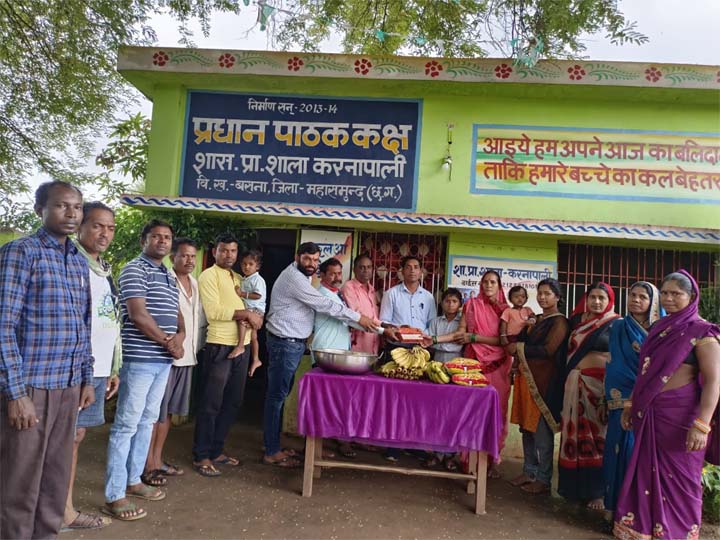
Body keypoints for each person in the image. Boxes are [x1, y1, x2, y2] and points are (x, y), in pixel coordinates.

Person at [0, 181, 95, 539]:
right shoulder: (21, 252)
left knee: (55, 480)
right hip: (32, 388)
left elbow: (83, 324)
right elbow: (3, 324)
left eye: (77, 207)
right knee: (19, 482)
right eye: (61, 206)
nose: (71, 213)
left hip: (68, 387)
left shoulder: (77, 260)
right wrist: (16, 393)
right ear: (40, 209)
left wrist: (86, 378)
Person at [614, 271, 720, 540]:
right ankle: (645, 530)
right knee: (645, 474)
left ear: (691, 297)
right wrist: (630, 404)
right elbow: (644, 372)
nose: (669, 298)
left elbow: (713, 382)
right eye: (665, 293)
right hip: (649, 414)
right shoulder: (658, 329)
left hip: (682, 420)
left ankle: (678, 533)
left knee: (682, 480)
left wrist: (702, 424)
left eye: (676, 293)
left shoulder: (702, 332)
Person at [263, 242, 378, 468]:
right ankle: (271, 451)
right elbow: (323, 305)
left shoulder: (303, 276)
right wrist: (359, 318)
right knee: (276, 398)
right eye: (307, 259)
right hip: (284, 344)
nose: (311, 264)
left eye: (315, 260)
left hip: (292, 344)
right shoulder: (295, 278)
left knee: (280, 396)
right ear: (297, 257)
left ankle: (274, 445)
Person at [104, 220, 185, 521]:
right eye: (156, 237)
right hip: (139, 360)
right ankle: (114, 495)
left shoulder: (168, 274)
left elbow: (178, 314)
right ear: (144, 241)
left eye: (167, 237)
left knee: (147, 421)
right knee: (126, 424)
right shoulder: (134, 270)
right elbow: (138, 315)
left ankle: (134, 480)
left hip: (162, 361)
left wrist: (181, 337)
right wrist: (168, 342)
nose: (162, 241)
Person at [63, 202, 122, 532]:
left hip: (98, 368)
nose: (105, 233)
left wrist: (113, 367)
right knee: (64, 438)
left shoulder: (103, 268)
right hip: (74, 369)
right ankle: (58, 512)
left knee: (76, 436)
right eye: (98, 225)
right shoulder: (71, 262)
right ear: (81, 226)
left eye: (110, 228)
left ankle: (63, 509)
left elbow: (110, 319)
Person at [192, 233, 263, 477]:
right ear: (215, 252)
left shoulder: (238, 278)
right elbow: (214, 311)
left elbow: (250, 306)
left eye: (233, 251)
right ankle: (201, 455)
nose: (228, 255)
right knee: (211, 403)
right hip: (219, 346)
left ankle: (216, 451)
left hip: (242, 346)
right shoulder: (208, 276)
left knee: (233, 402)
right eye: (223, 250)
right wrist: (247, 315)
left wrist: (255, 316)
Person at [144, 238, 205, 485]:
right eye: (184, 255)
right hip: (166, 355)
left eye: (192, 256)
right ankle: (146, 464)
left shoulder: (195, 283)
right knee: (154, 413)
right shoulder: (165, 280)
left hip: (187, 357)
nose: (189, 260)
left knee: (168, 412)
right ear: (173, 258)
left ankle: (157, 460)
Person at [602, 281, 663, 513]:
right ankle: (614, 509)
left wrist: (644, 392)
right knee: (616, 450)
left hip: (650, 403)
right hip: (619, 400)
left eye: (642, 297)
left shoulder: (662, 331)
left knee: (640, 456)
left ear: (653, 303)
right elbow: (614, 364)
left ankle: (639, 514)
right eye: (632, 295)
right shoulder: (619, 326)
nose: (636, 300)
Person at [558, 282, 619, 510]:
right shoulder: (578, 323)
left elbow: (619, 358)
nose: (597, 302)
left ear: (610, 301)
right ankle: (573, 488)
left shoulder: (616, 324)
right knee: (572, 435)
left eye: (602, 298)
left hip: (598, 389)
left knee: (597, 438)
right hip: (574, 384)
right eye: (593, 297)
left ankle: (598, 492)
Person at [507, 278, 570, 495]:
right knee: (526, 428)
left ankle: (543, 479)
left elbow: (548, 350)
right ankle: (529, 471)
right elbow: (520, 341)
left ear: (557, 297)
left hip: (544, 383)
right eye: (540, 293)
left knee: (542, 433)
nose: (542, 297)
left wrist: (519, 348)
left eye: (547, 294)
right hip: (527, 380)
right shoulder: (536, 319)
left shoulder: (560, 322)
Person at [456, 270, 511, 475]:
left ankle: (490, 459)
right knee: (472, 412)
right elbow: (462, 331)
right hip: (474, 364)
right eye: (485, 282)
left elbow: (504, 341)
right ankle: (469, 461)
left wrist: (474, 338)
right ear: (480, 284)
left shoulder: (506, 311)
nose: (488, 285)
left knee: (496, 413)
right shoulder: (471, 305)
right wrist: (437, 339)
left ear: (499, 286)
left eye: (493, 282)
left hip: (498, 366)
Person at [230, 250, 266, 379]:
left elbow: (258, 295)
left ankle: (240, 346)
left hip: (255, 309)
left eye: (251, 264)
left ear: (257, 266)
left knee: (242, 321)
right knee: (253, 337)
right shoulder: (245, 278)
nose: (247, 267)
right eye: (244, 264)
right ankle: (256, 359)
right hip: (252, 309)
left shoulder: (257, 279)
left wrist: (242, 294)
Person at [379, 255, 437, 333]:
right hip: (397, 339)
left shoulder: (428, 297)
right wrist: (397, 330)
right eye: (408, 267)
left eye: (416, 267)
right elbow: (384, 321)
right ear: (402, 271)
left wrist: (422, 335)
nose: (412, 270)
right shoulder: (391, 294)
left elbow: (432, 323)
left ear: (421, 272)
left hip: (422, 339)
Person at [342, 255, 381, 354]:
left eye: (369, 267)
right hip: (356, 345)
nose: (366, 270)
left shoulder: (372, 290)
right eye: (362, 267)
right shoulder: (349, 287)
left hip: (373, 344)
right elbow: (357, 314)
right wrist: (383, 326)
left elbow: (374, 316)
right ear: (354, 270)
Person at [427, 288, 464, 363]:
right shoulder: (435, 322)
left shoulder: (463, 322)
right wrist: (450, 345)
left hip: (457, 363)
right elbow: (430, 343)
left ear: (460, 304)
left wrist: (438, 343)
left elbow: (459, 346)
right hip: (437, 362)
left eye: (454, 301)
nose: (451, 304)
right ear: (442, 303)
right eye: (447, 301)